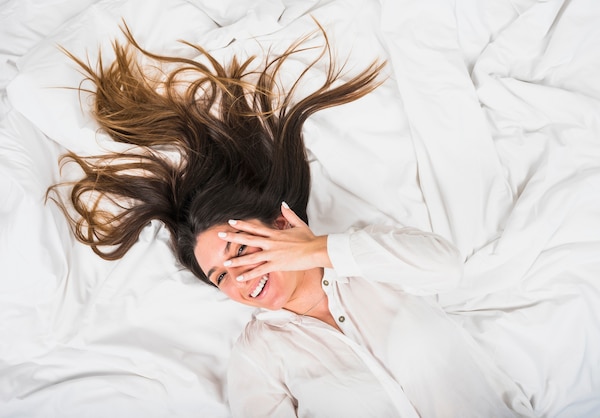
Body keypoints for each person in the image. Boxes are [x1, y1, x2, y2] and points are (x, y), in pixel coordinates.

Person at [50, 26, 535, 417]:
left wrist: (318, 249)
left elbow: (445, 267)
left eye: (239, 250)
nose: (237, 278)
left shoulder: (368, 264)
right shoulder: (258, 357)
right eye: (220, 276)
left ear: (279, 225)